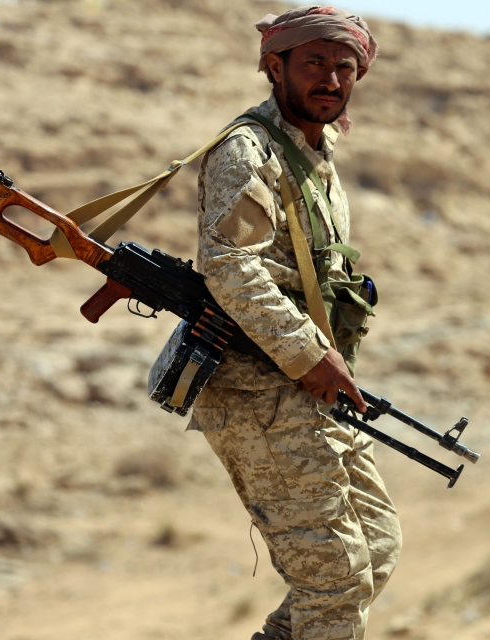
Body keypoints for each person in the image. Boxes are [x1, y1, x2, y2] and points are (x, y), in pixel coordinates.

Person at [184, 7, 400, 639]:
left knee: (377, 547)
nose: (331, 79)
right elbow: (230, 266)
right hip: (258, 390)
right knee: (334, 582)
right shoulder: (247, 150)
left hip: (306, 387)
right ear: (274, 66)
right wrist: (312, 356)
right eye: (314, 64)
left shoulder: (314, 153)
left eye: (345, 67)